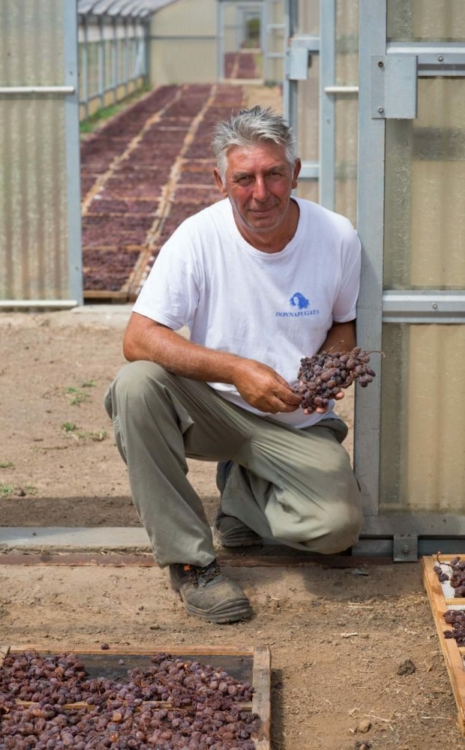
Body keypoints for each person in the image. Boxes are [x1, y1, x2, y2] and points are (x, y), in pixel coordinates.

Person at [104, 106, 363, 625]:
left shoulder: (336, 237)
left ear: (296, 170)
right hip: (213, 410)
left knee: (336, 529)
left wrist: (328, 369)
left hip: (295, 421)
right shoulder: (197, 239)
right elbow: (139, 337)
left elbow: (343, 324)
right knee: (136, 385)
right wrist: (236, 369)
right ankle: (190, 562)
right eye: (244, 178)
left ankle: (241, 494)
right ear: (220, 181)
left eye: (273, 174)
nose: (261, 193)